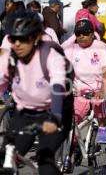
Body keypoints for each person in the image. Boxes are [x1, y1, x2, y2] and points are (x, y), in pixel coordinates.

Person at [0, 10, 69, 174]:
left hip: (56, 111)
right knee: (6, 159)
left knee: (45, 163)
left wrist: (56, 118)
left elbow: (58, 87)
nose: (17, 44)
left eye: (23, 38)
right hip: (25, 111)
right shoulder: (9, 58)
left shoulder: (50, 55)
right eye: (13, 38)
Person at [63, 19, 106, 143]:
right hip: (81, 92)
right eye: (78, 33)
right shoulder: (71, 49)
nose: (81, 36)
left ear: (92, 34)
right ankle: (73, 147)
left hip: (104, 88)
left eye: (85, 33)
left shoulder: (102, 48)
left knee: (99, 102)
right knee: (72, 120)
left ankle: (103, 129)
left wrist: (102, 90)